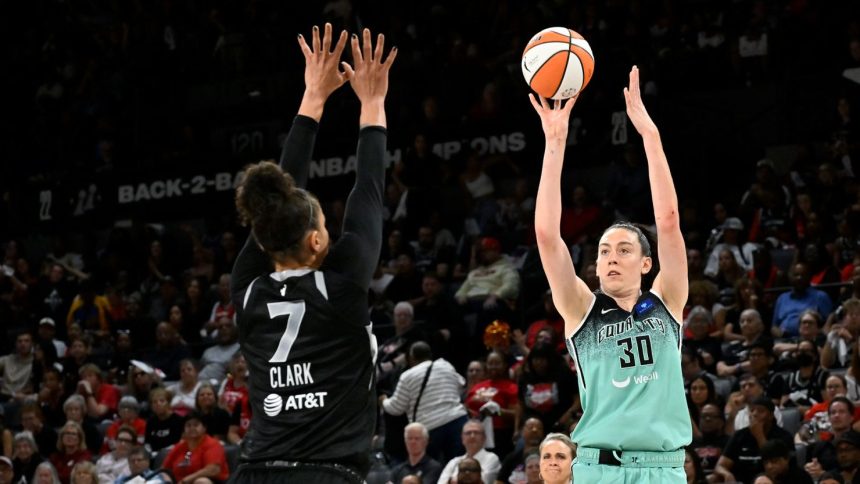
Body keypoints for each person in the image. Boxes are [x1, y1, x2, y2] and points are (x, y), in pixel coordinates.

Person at [227, 24, 396, 483]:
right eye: (324, 223)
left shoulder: (247, 290)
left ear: (261, 242)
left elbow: (279, 198)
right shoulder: (340, 287)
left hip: (256, 472)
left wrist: (313, 97)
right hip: (326, 474)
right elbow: (370, 192)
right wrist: (372, 101)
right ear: (318, 242)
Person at [532, 65, 691, 481]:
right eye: (605, 252)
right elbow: (548, 236)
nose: (613, 258)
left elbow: (669, 220)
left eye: (624, 250)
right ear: (597, 266)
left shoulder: (667, 301)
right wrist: (555, 142)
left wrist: (650, 138)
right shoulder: (580, 308)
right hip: (596, 469)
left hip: (663, 469)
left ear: (646, 263)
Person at [161, 412, 228, 484]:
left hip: (209, 481)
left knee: (201, 481)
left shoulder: (213, 444)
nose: (192, 428)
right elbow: (164, 469)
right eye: (188, 425)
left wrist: (186, 480)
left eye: (196, 425)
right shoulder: (179, 447)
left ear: (204, 428)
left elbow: (213, 470)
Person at [436, 420, 501, 484]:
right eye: (468, 433)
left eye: (476, 432)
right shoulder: (454, 462)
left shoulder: (491, 458)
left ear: (484, 437)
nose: (472, 436)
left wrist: (452, 480)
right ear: (462, 438)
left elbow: (481, 481)